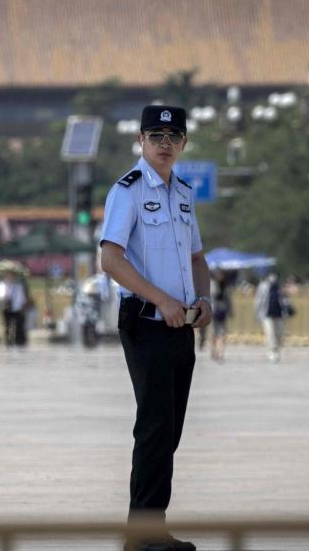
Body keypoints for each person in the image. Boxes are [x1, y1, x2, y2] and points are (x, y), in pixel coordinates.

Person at [100, 105, 210, 551]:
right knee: (153, 425)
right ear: (140, 141)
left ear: (183, 143)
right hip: (145, 321)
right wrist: (159, 298)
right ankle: (140, 535)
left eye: (173, 135)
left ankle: (152, 527)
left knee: (171, 429)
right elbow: (111, 259)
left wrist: (203, 299)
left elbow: (197, 259)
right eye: (156, 135)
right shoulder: (126, 191)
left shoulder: (183, 193)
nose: (164, 143)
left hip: (181, 323)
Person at [254, 272, 286, 363]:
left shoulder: (280, 286)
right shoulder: (263, 286)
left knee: (279, 334)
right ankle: (272, 351)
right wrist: (257, 313)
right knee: (270, 334)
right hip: (267, 314)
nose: (273, 278)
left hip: (279, 314)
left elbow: (285, 299)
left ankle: (277, 349)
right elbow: (258, 300)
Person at [0, 271, 28, 347]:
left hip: (17, 308)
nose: (11, 278)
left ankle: (19, 341)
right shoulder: (2, 285)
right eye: (9, 276)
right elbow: (0, 296)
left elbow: (22, 298)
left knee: (19, 325)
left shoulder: (18, 286)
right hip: (7, 308)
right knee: (7, 325)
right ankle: (8, 341)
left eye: (13, 276)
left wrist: (22, 307)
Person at [209, 269, 234, 361]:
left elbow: (229, 300)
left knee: (222, 333)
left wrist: (231, 311)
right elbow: (211, 296)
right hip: (213, 312)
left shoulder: (226, 285)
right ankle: (214, 350)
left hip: (223, 312)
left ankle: (220, 352)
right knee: (214, 333)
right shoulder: (212, 284)